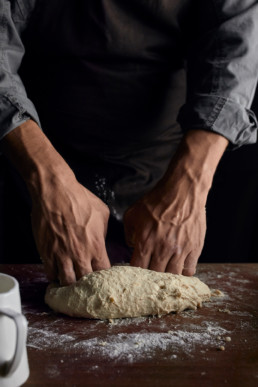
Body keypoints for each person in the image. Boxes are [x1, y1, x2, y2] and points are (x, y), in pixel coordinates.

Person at [0, 0, 257, 285]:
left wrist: (191, 181)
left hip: (166, 169)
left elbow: (235, 39)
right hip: (30, 159)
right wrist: (46, 179)